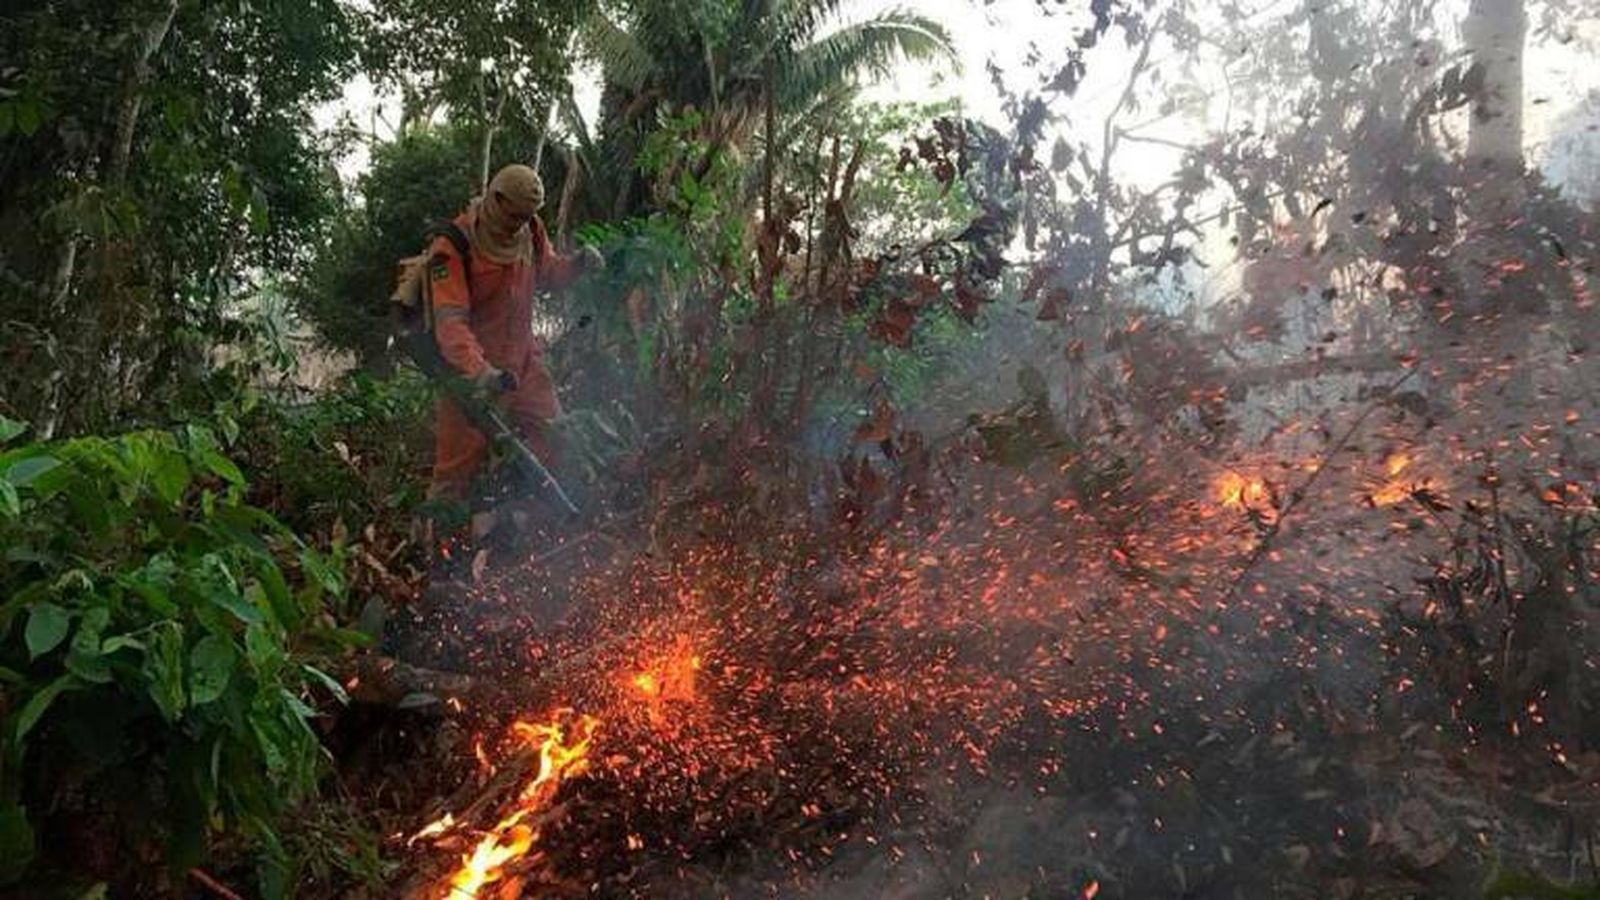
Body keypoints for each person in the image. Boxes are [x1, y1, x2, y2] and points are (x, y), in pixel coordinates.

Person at [428, 163, 600, 506]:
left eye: (525, 217)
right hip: (471, 374)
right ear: (496, 199)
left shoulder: (531, 231)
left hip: (523, 362)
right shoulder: (451, 248)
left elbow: (548, 272)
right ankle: (437, 537)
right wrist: (480, 373)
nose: (518, 225)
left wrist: (577, 264)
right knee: (455, 467)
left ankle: (533, 515)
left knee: (555, 435)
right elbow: (450, 324)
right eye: (513, 217)